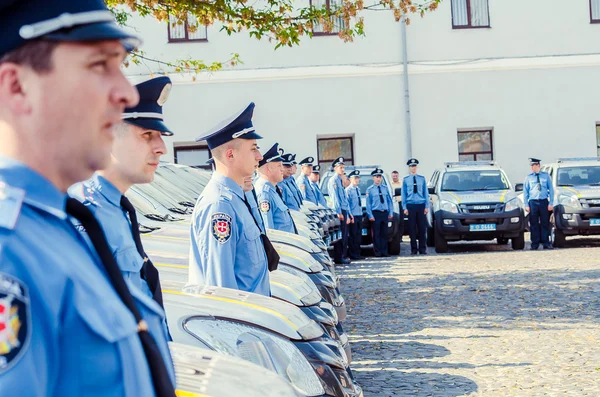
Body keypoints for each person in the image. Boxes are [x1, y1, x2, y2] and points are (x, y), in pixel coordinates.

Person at [0, 1, 176, 396]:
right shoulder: (8, 250)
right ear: (16, 86)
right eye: (100, 65)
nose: (127, 93)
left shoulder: (60, 224)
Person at [70, 76, 177, 354]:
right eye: (146, 135)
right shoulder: (87, 217)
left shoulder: (116, 208)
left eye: (160, 137)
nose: (161, 148)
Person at [187, 103, 271, 296]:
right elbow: (222, 290)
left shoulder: (235, 197)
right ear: (230, 154)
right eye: (253, 149)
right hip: (246, 322)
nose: (259, 156)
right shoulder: (220, 205)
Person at [255, 143, 297, 234]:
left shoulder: (272, 189)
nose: (282, 169)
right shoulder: (264, 193)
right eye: (279, 165)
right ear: (269, 168)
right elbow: (269, 233)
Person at [523, 158, 555, 250]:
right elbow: (526, 192)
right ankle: (535, 243)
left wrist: (551, 203)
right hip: (533, 202)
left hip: (543, 201)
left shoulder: (546, 176)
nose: (532, 168)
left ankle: (546, 242)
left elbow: (551, 190)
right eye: (531, 166)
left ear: (538, 166)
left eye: (534, 166)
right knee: (534, 224)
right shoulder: (528, 177)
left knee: (545, 222)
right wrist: (526, 205)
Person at [402, 158, 429, 255]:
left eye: (415, 166)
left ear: (417, 167)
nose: (413, 168)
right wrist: (404, 207)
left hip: (421, 204)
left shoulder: (422, 179)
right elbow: (403, 194)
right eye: (411, 166)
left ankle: (422, 248)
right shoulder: (406, 180)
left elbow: (426, 193)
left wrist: (427, 206)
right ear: (409, 168)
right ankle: (413, 249)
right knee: (412, 228)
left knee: (422, 228)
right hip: (411, 205)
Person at [327, 157, 352, 264]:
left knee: (344, 235)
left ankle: (343, 255)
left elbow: (343, 198)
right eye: (340, 167)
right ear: (335, 168)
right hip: (340, 210)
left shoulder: (340, 180)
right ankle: (339, 257)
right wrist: (339, 212)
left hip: (344, 209)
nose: (342, 170)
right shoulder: (334, 180)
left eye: (343, 167)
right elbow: (335, 198)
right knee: (340, 235)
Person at [366, 168, 394, 257]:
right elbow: (368, 204)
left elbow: (389, 201)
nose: (378, 179)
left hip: (384, 213)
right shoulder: (370, 190)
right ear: (373, 178)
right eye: (376, 177)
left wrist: (391, 213)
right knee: (376, 234)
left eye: (379, 177)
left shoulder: (385, 188)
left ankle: (384, 251)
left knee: (384, 233)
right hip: (376, 213)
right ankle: (377, 252)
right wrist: (370, 215)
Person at [346, 170, 364, 260]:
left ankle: (358, 253)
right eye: (355, 178)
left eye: (358, 178)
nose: (357, 180)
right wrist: (350, 215)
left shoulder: (358, 189)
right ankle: (353, 254)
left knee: (358, 236)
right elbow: (347, 204)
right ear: (350, 179)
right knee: (353, 236)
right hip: (353, 216)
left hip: (359, 215)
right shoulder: (348, 190)